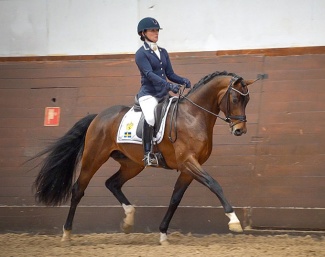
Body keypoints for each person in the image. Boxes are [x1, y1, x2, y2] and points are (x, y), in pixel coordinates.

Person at [135, 17, 191, 167]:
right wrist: (168, 86)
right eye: (152, 30)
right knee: (151, 118)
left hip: (163, 94)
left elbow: (170, 74)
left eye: (157, 30)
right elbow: (149, 74)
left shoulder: (163, 52)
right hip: (149, 94)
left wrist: (182, 80)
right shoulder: (141, 54)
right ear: (143, 33)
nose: (156, 33)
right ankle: (147, 153)